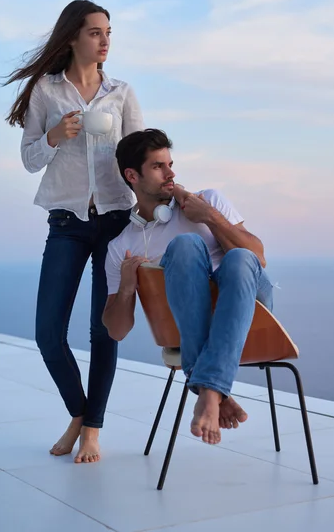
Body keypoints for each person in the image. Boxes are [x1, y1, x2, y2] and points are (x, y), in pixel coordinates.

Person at [4, 0, 144, 463]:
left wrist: (160, 201)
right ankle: (80, 414)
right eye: (95, 32)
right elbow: (29, 160)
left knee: (103, 331)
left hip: (116, 223)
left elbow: (138, 160)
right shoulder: (46, 92)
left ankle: (92, 430)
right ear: (72, 38)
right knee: (48, 333)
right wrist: (54, 137)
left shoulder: (122, 92)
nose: (105, 41)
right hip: (66, 222)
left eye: (109, 32)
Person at [103, 129, 273, 445]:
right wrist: (127, 286)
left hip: (252, 310)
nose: (171, 173)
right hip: (193, 322)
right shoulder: (121, 247)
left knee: (238, 259)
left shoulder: (208, 200)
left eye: (170, 163)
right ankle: (212, 391)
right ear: (132, 175)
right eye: (158, 166)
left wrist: (210, 217)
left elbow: (258, 259)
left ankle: (203, 385)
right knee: (184, 245)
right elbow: (116, 331)